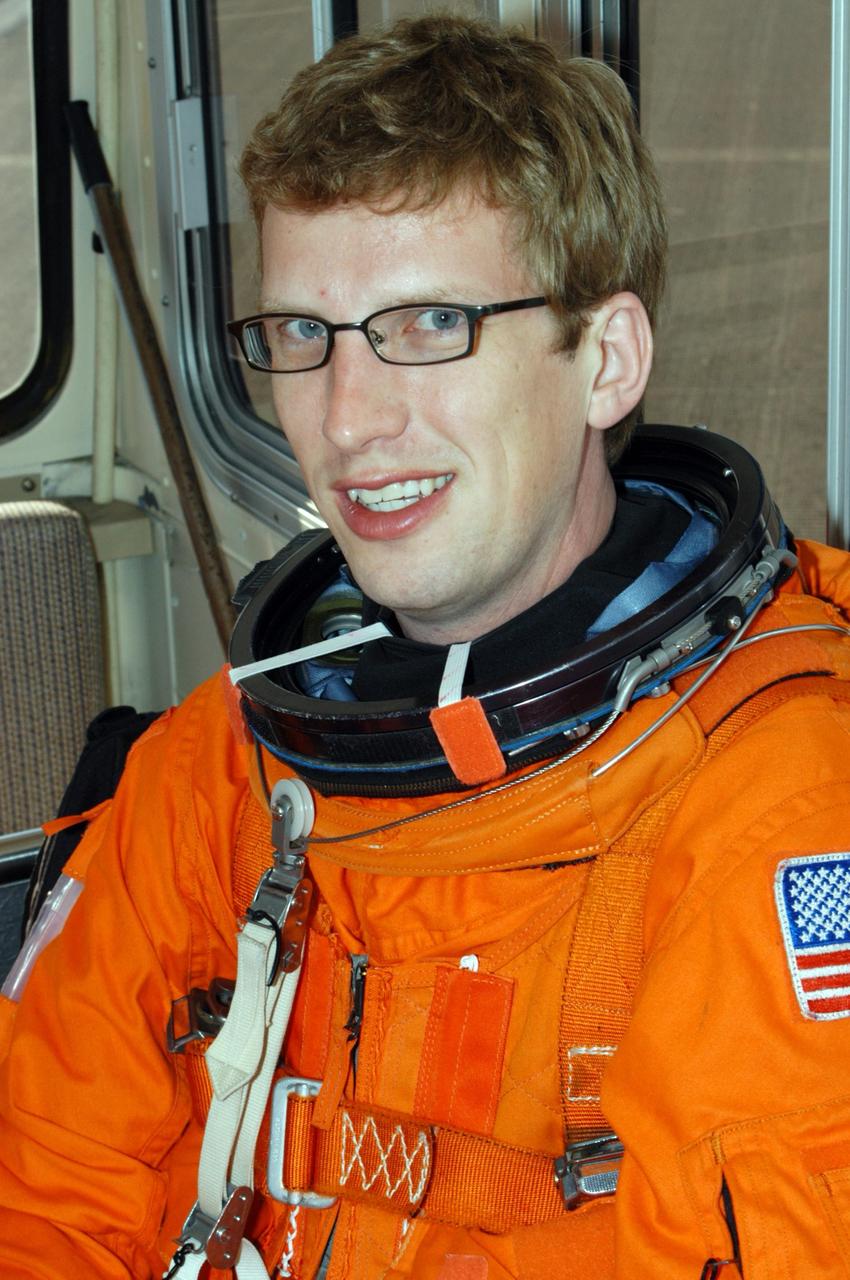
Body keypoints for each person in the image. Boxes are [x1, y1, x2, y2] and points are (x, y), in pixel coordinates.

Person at [2, 13, 850, 1279]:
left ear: (604, 358)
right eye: (301, 334)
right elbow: (46, 1198)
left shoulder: (772, 797)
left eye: (429, 324)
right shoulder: (226, 769)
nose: (346, 417)